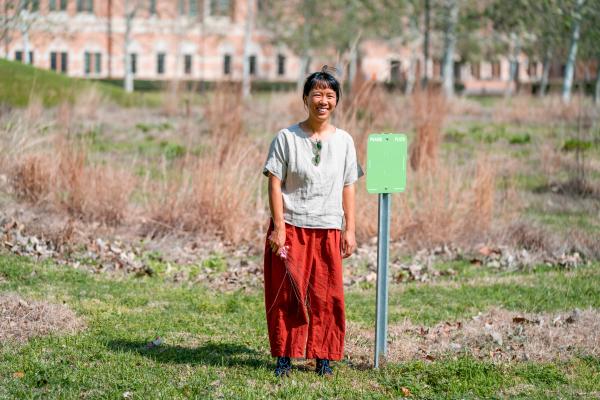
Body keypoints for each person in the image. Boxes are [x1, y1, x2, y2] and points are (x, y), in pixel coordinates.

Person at [262, 66, 364, 377]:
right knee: (287, 293)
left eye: (330, 95)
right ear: (306, 98)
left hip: (328, 228)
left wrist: (351, 229)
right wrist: (279, 227)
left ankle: (324, 356)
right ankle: (285, 355)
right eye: (317, 94)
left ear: (337, 101)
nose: (323, 100)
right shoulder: (287, 137)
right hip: (292, 226)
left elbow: (349, 185)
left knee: (327, 295)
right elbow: (275, 182)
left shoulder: (344, 141)